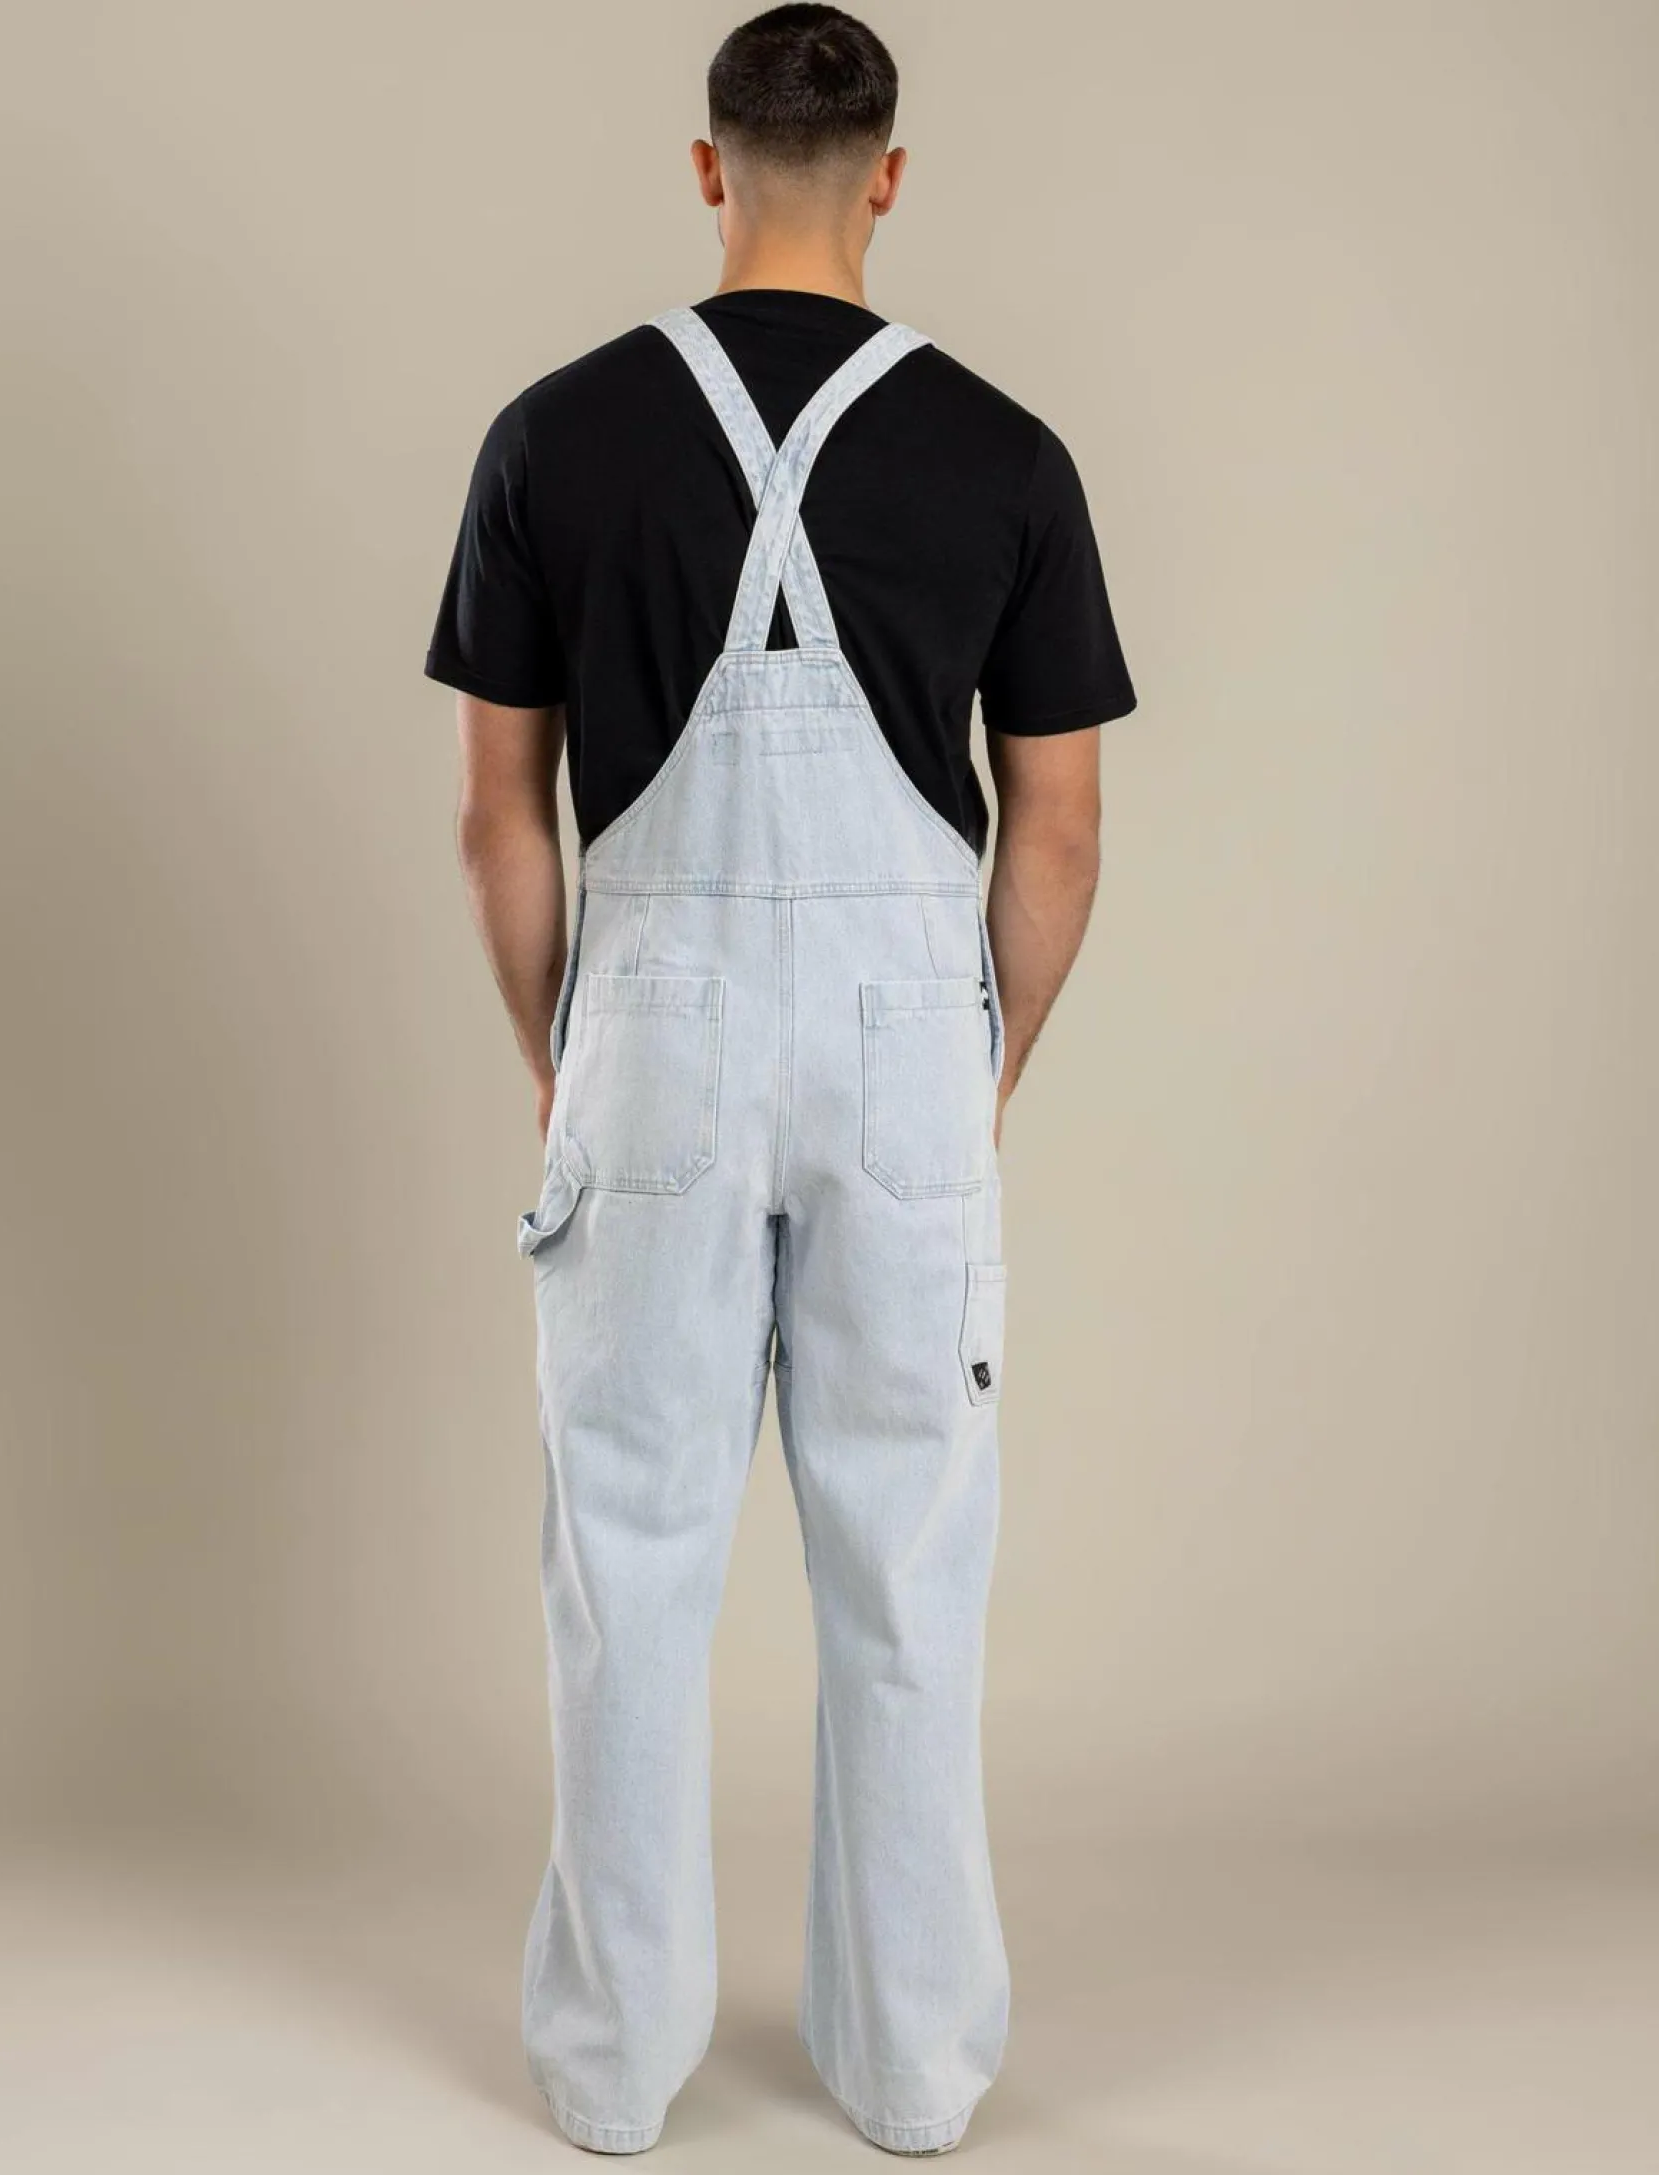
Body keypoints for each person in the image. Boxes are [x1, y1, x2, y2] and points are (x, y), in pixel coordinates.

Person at [426, 5, 1134, 2153]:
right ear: (890, 178)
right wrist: (978, 1069)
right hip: (911, 1041)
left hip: (650, 1027)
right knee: (907, 1562)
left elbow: (497, 815)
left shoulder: (552, 436)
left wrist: (568, 1056)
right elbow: (1061, 832)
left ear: (708, 167)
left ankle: (609, 2070)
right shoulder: (1010, 456)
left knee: (627, 1560)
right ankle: (912, 2068)